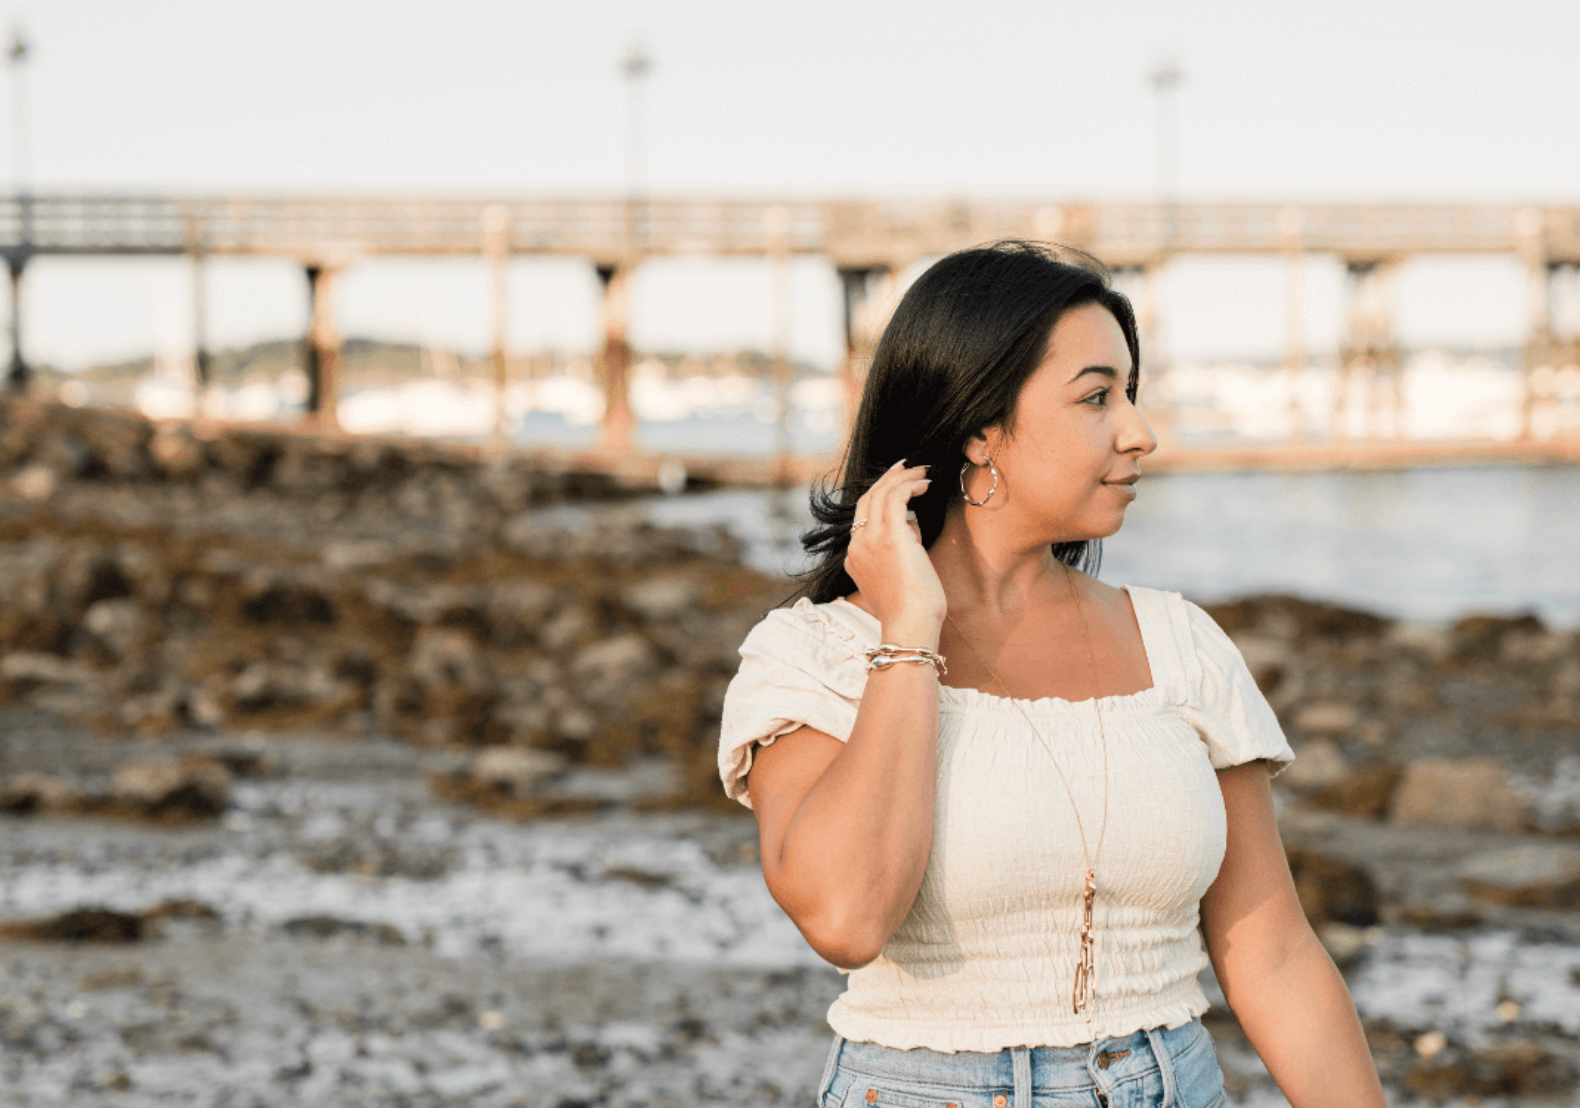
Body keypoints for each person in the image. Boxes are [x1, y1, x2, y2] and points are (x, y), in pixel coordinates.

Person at [718, 241, 1388, 1108]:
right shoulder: (817, 659)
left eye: (1132, 395)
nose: (1139, 431)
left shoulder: (1179, 643)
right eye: (1097, 396)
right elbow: (846, 918)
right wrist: (910, 636)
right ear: (979, 427)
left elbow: (1273, 953)